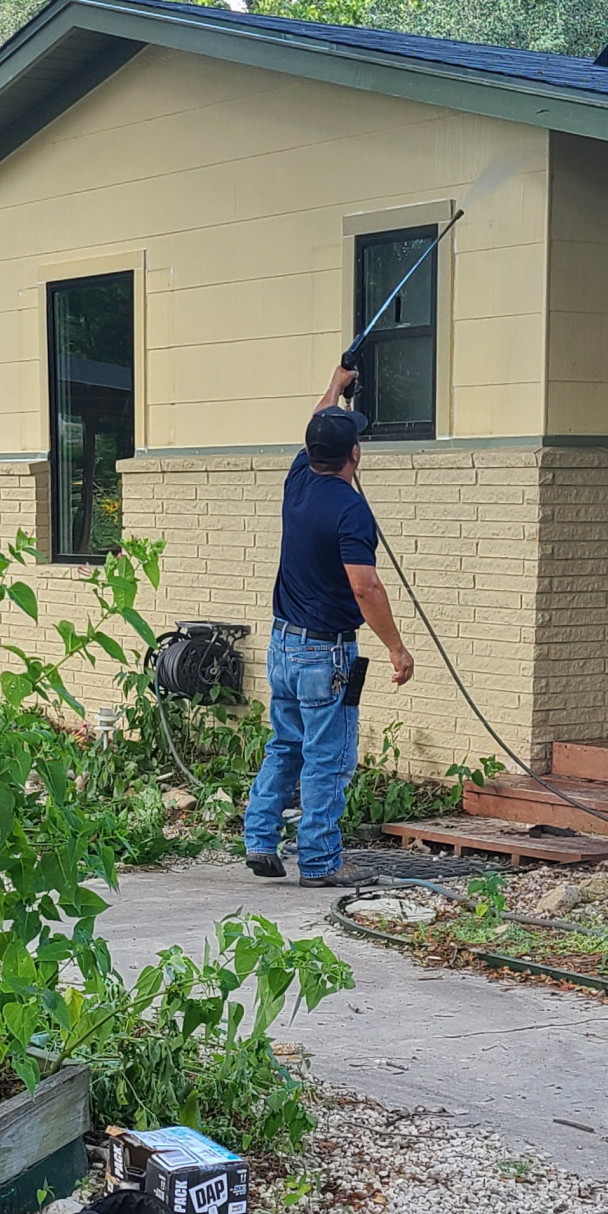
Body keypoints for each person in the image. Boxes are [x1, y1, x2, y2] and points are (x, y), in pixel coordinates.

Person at [243, 364, 414, 886]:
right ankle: (319, 863)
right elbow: (366, 587)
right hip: (325, 654)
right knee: (328, 759)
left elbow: (318, 421)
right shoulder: (351, 509)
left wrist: (335, 387)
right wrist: (396, 649)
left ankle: (259, 840)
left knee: (284, 745)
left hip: (282, 644)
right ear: (354, 455)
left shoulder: (298, 477)